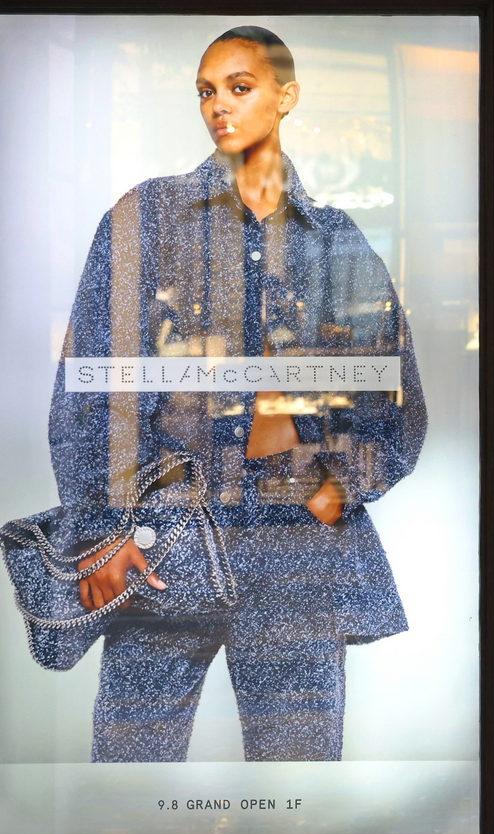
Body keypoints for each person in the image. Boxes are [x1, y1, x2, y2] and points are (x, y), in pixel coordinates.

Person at [48, 26, 427, 762]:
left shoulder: (334, 241)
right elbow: (90, 396)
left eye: (239, 87)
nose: (218, 106)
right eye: (205, 91)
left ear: (286, 97)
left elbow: (395, 409)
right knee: (129, 780)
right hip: (165, 544)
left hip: (294, 555)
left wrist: (334, 489)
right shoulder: (147, 218)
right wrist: (102, 533)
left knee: (299, 788)